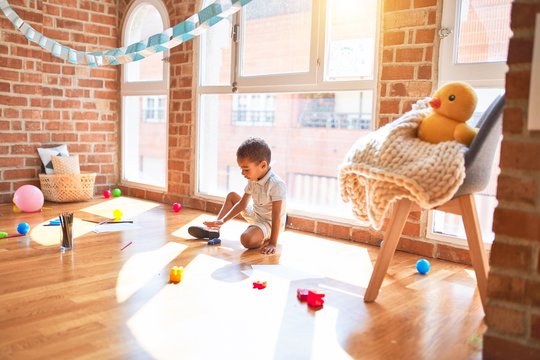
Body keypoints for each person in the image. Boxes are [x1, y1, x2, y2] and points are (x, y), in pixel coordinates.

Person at [188, 137, 287, 254]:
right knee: (232, 196)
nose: (242, 173)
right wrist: (222, 221)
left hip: (268, 222)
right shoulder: (253, 179)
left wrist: (273, 243)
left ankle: (263, 236)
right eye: (241, 169)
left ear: (263, 165)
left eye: (246, 169)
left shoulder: (277, 185)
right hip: (256, 213)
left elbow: (276, 217)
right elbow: (242, 204)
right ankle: (215, 229)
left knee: (246, 239)